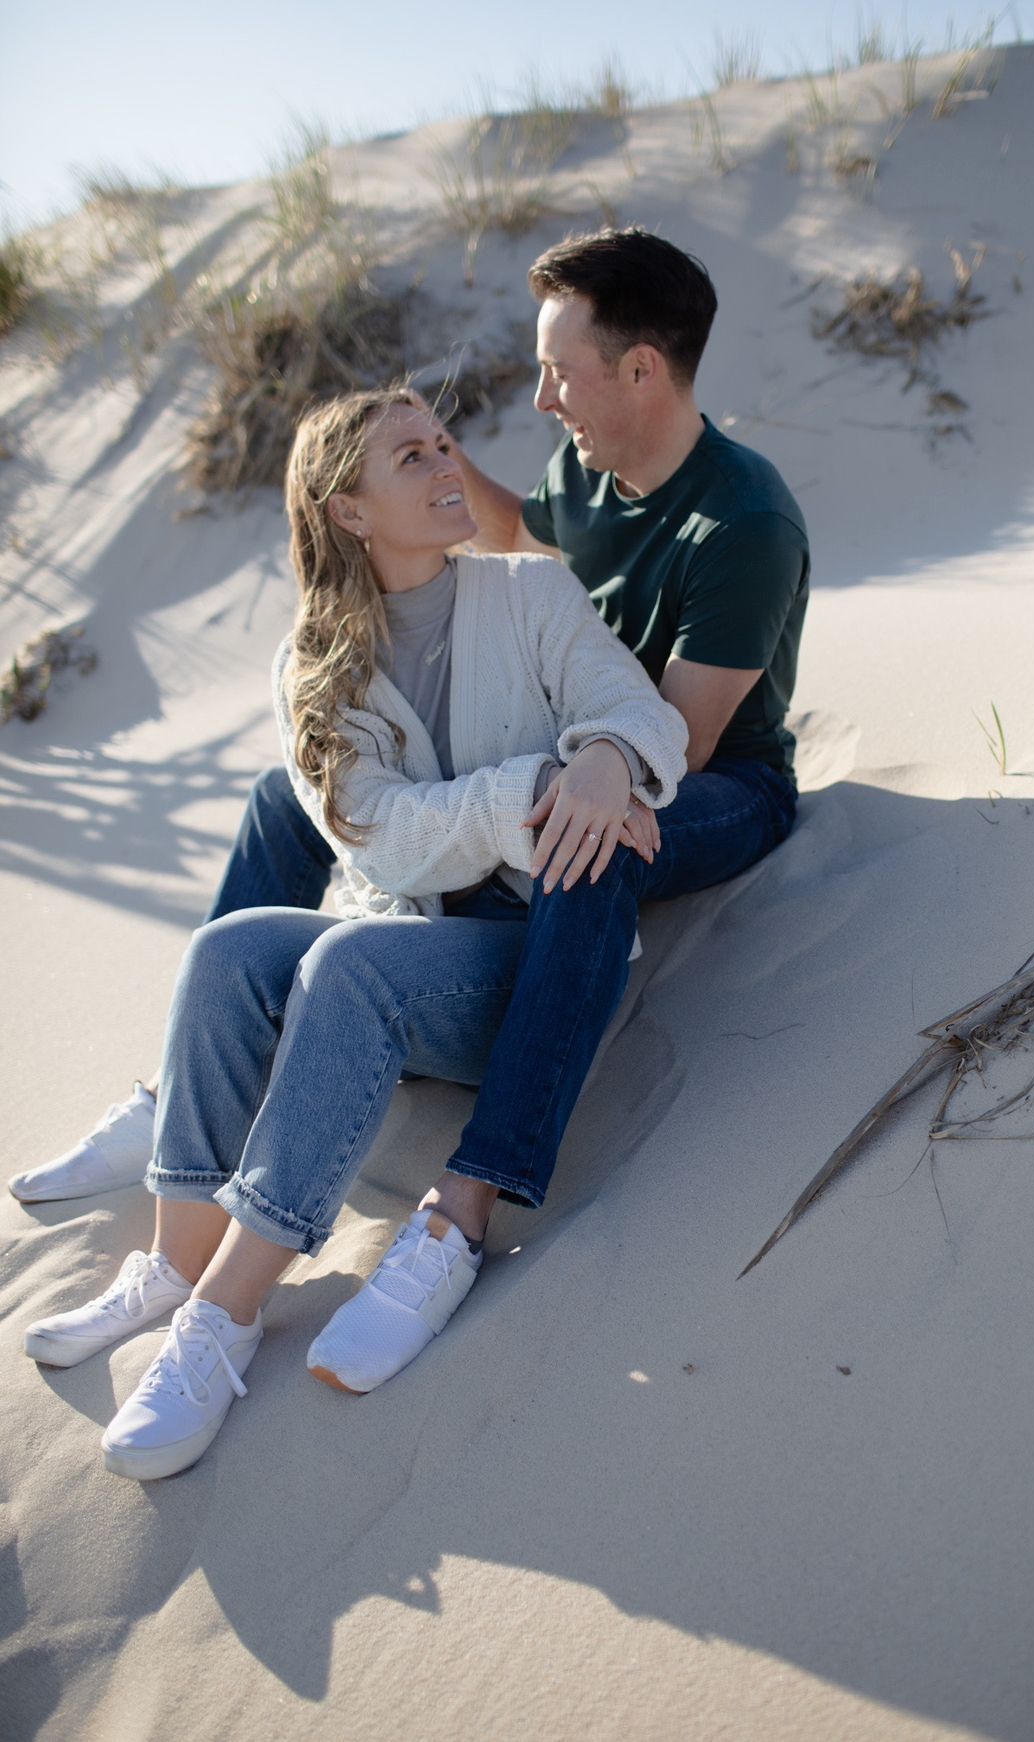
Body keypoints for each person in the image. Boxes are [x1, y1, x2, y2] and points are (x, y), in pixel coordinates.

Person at [9, 225, 810, 1205]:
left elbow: (672, 743)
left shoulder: (742, 524)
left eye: (559, 371)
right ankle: (184, 1094)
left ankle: (479, 1183)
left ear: (640, 369)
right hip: (575, 740)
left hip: (720, 779)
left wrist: (571, 775)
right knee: (282, 796)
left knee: (583, 833)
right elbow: (519, 533)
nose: (542, 396)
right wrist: (423, 454)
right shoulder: (590, 468)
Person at [24, 387, 689, 1479]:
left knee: (347, 960)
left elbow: (639, 708)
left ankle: (221, 1324)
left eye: (443, 443)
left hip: (537, 975)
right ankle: (176, 1258)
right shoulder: (314, 665)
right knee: (227, 948)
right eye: (410, 456)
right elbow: (377, 837)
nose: (446, 465)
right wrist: (534, 784)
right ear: (349, 513)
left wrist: (609, 759)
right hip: (416, 945)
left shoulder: (529, 591)